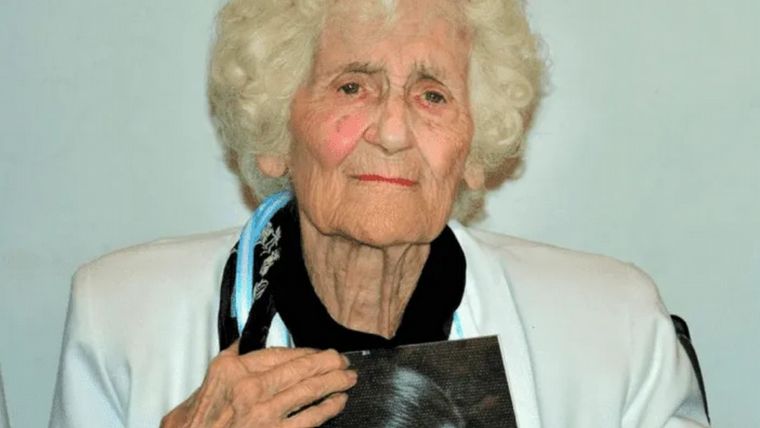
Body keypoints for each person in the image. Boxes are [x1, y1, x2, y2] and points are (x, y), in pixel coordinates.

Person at [50, 0, 710, 427]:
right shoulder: (122, 317)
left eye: (431, 95)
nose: (392, 131)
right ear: (277, 130)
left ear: (473, 148)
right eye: (352, 87)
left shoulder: (615, 330)